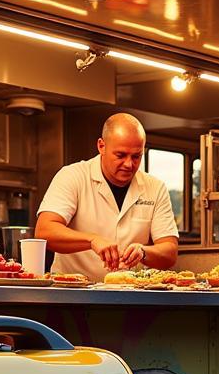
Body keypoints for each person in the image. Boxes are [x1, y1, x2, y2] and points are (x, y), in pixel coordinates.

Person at [35, 113, 179, 280]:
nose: (128, 164)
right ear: (101, 146)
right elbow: (44, 231)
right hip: (73, 294)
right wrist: (92, 240)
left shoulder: (155, 187)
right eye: (120, 155)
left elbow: (169, 252)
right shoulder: (72, 176)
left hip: (130, 296)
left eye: (136, 156)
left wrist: (143, 252)